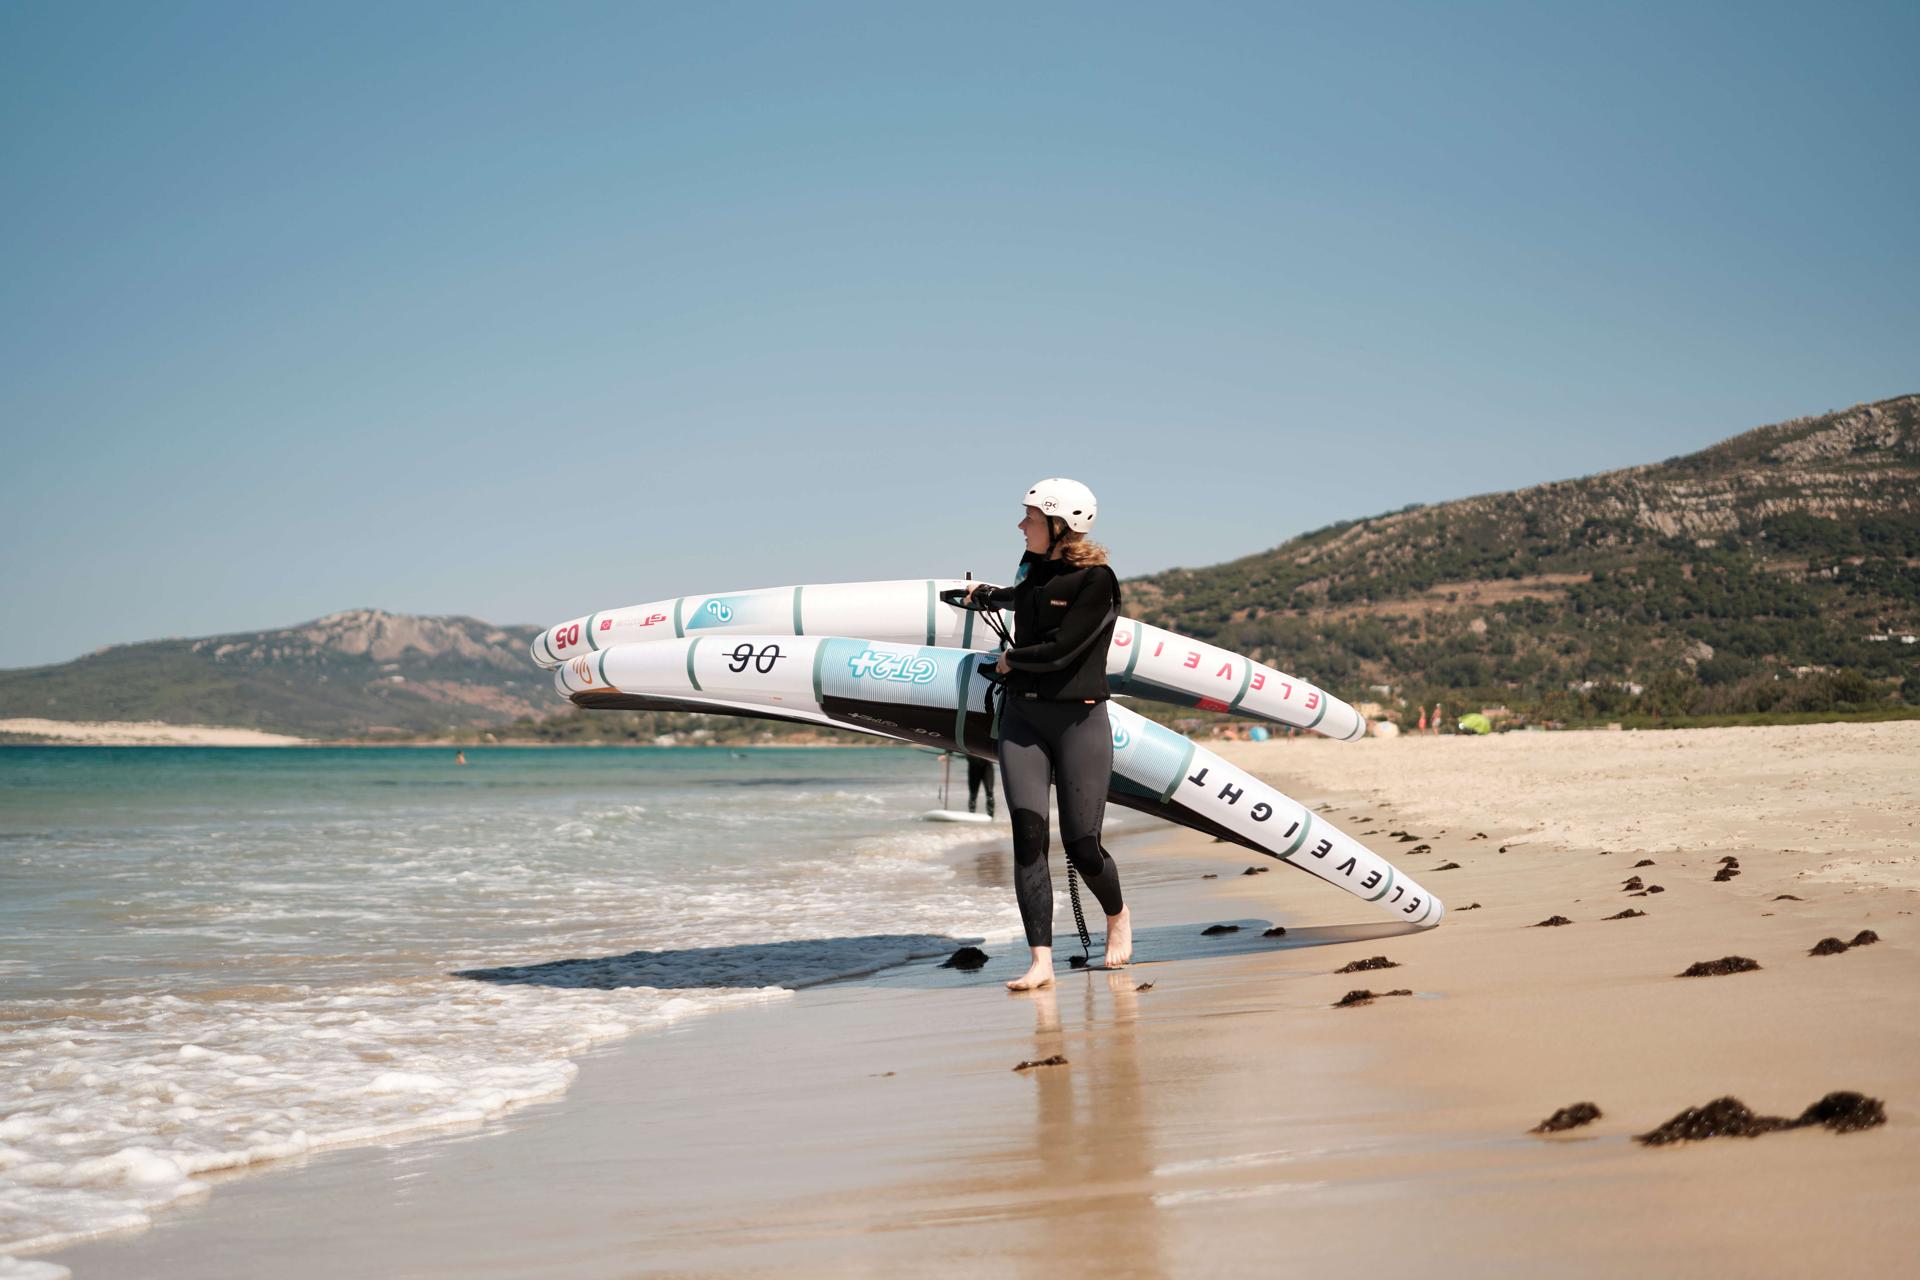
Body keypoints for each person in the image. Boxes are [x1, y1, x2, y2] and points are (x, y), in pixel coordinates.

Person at [965, 478, 1128, 990]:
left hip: (1079, 720)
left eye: (1030, 518)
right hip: (1023, 719)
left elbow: (1062, 649)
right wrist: (989, 595)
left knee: (1083, 846)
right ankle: (1041, 962)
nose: (1021, 525)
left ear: (1061, 525)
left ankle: (1118, 917)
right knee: (1028, 837)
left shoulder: (1098, 581)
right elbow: (1026, 597)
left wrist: (1008, 661)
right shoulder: (1031, 568)